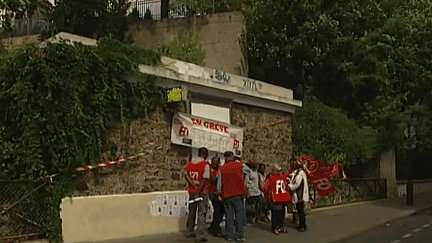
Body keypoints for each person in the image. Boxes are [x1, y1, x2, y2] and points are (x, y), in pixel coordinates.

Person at [217, 151, 247, 242]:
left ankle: (230, 235)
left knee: (229, 216)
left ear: (225, 157)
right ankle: (239, 235)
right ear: (232, 156)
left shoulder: (222, 168)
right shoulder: (240, 165)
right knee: (239, 215)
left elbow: (219, 183)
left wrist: (219, 193)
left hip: (227, 194)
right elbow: (248, 173)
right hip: (238, 193)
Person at [184, 147, 210, 242]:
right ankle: (199, 235)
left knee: (191, 211)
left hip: (191, 191)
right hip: (202, 192)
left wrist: (193, 184)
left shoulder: (189, 164)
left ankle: (189, 231)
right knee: (201, 213)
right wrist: (198, 189)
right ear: (206, 154)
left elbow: (186, 175)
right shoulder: (205, 165)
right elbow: (205, 178)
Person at [263, 164, 291, 235]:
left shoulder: (282, 177)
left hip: (282, 198)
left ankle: (280, 226)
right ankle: (274, 227)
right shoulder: (270, 178)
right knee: (275, 214)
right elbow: (265, 187)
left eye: (279, 171)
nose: (278, 172)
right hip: (275, 198)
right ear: (273, 170)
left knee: (282, 213)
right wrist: (268, 195)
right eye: (277, 171)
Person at [288, 159, 309, 232]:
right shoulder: (299, 173)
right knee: (300, 211)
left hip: (299, 195)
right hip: (299, 195)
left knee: (300, 211)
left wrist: (290, 186)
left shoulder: (300, 174)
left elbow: (296, 185)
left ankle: (303, 226)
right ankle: (301, 224)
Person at [208, 156, 225, 237]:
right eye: (214, 163)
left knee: (220, 211)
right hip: (212, 192)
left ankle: (213, 226)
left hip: (219, 192)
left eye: (217, 162)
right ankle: (215, 228)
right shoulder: (210, 170)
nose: (215, 164)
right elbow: (213, 180)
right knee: (218, 210)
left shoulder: (220, 169)